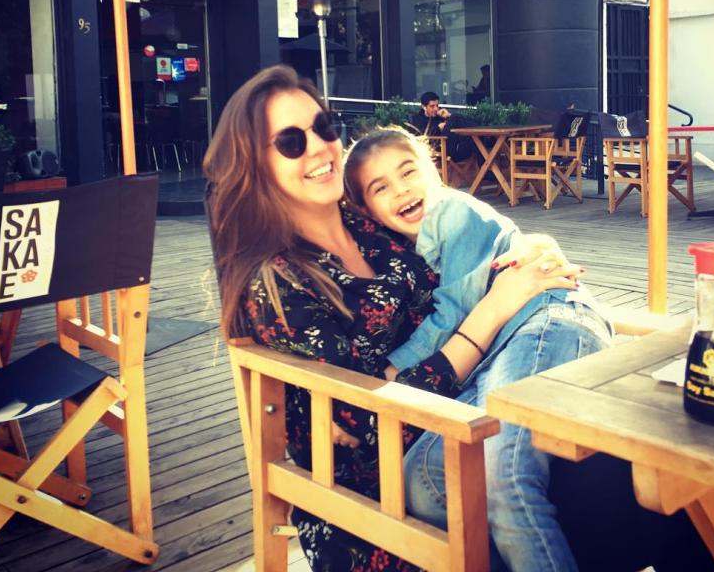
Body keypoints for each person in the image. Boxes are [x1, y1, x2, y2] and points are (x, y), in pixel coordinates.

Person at [204, 65, 580, 572]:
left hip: (473, 410)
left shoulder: (371, 220)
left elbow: (468, 255)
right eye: (291, 142)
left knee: (647, 477)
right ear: (256, 165)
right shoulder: (276, 281)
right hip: (380, 491)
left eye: (323, 127)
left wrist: (530, 248)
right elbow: (364, 419)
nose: (319, 147)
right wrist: (495, 308)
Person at [343, 128, 612, 572]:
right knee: (424, 477)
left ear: (434, 171)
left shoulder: (453, 212)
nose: (402, 190)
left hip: (548, 322)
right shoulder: (406, 245)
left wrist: (391, 370)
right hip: (500, 350)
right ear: (367, 210)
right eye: (381, 187)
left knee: (500, 475)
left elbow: (453, 312)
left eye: (408, 172)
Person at [408, 91, 473, 163]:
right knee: (455, 118)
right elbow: (421, 137)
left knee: (474, 140)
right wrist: (438, 128)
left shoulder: (440, 116)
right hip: (436, 149)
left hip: (454, 147)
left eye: (437, 105)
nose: (436, 109)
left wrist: (448, 116)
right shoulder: (417, 119)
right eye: (432, 106)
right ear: (424, 107)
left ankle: (481, 142)